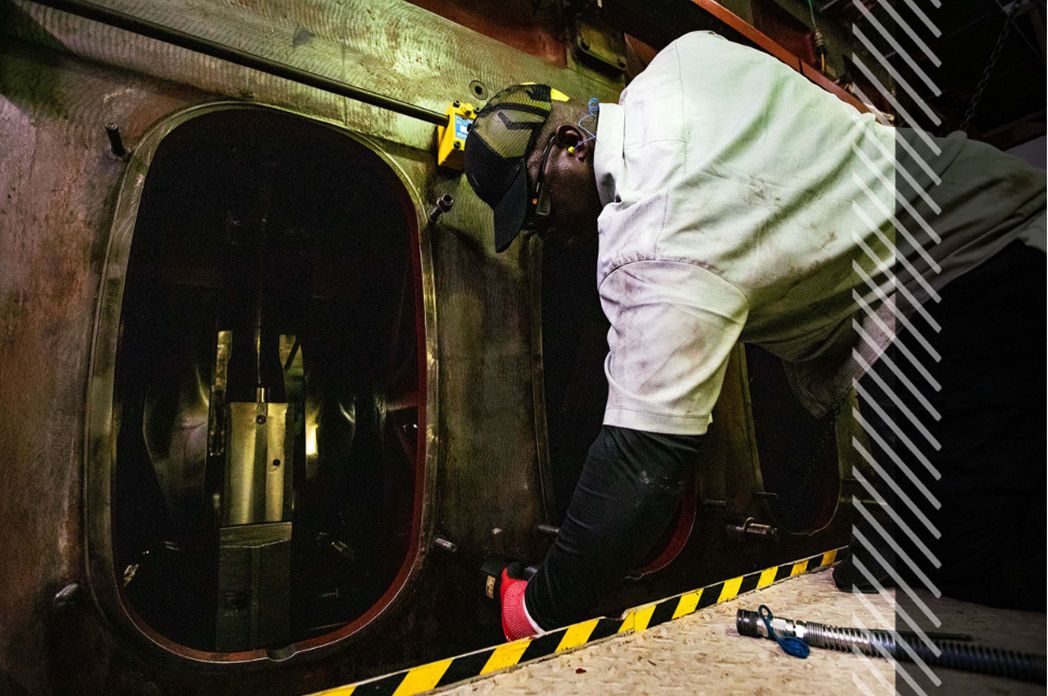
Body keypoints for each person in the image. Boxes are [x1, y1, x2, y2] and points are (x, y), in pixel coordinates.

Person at [463, 30, 1046, 640]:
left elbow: (642, 455)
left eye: (539, 208)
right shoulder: (682, 58)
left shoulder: (650, 231)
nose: (551, 234)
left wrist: (538, 609)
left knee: (962, 562)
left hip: (978, 278)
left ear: (573, 143)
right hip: (993, 231)